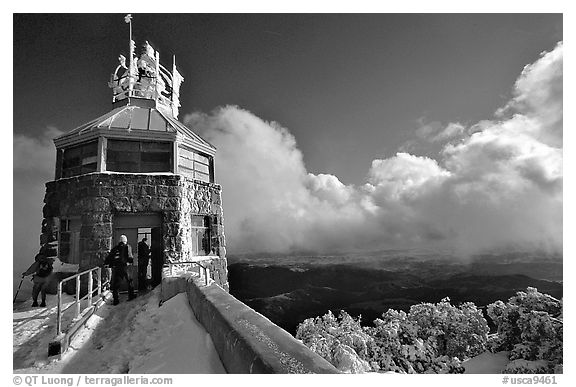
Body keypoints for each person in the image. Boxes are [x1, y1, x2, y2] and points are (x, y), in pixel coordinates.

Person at [104, 235, 135, 305]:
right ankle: (131, 295)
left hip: (117, 267)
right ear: (125, 241)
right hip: (126, 267)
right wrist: (130, 262)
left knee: (116, 284)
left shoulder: (115, 248)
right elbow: (130, 256)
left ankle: (116, 299)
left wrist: (107, 264)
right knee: (130, 281)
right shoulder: (127, 246)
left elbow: (109, 257)